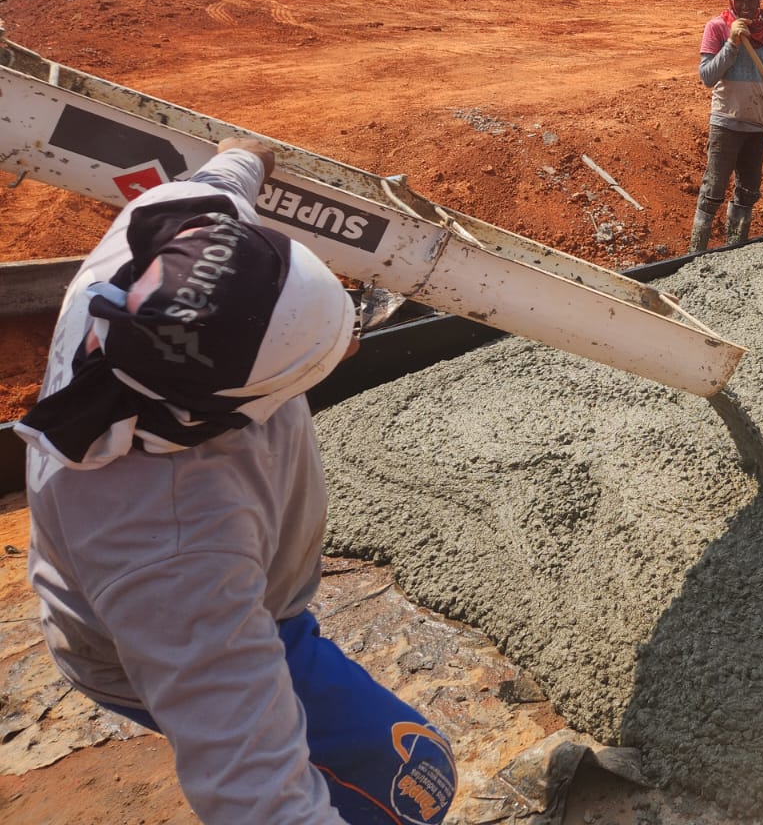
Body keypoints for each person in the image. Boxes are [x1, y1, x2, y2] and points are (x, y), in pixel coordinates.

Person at [11, 138, 456, 824]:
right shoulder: (177, 554)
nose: (351, 344)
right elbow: (259, 800)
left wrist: (248, 155)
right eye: (323, 355)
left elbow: (224, 177)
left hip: (199, 603)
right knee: (415, 781)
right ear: (232, 415)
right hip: (151, 646)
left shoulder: (154, 260)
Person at [690, 0, 763, 252]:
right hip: (726, 122)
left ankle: (734, 251)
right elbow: (707, 77)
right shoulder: (717, 27)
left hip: (756, 124)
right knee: (713, 191)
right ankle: (696, 254)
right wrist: (732, 42)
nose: (746, 6)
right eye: (740, 0)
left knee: (748, 193)